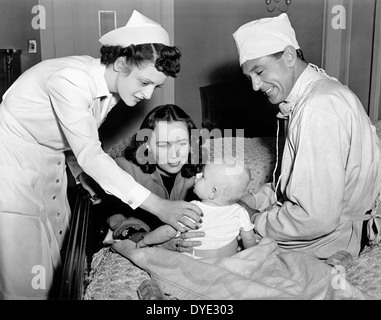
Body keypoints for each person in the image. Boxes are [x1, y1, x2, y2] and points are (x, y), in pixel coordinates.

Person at [0, 10, 202, 300]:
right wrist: (159, 206)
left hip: (50, 161)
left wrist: (80, 175)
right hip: (12, 163)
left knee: (56, 253)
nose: (148, 95)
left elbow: (72, 137)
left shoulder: (111, 91)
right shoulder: (70, 79)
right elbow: (91, 154)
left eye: (155, 87)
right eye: (144, 82)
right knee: (23, 267)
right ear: (120, 63)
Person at [232, 13, 381, 260]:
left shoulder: (318, 108)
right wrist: (256, 199)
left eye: (259, 72)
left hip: (331, 240)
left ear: (289, 56)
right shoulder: (318, 90)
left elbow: (316, 218)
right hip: (327, 228)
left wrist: (256, 218)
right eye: (250, 77)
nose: (255, 86)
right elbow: (293, 181)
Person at [101, 104, 206, 252]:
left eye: (182, 143)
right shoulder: (124, 170)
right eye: (163, 145)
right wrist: (154, 241)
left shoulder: (200, 171)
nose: (174, 154)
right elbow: (119, 222)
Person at [123, 161, 257, 259]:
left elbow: (167, 232)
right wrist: (250, 254)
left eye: (203, 176)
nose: (197, 175)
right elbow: (249, 238)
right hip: (230, 260)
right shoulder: (240, 212)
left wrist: (146, 240)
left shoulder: (192, 209)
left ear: (213, 192)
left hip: (198, 263)